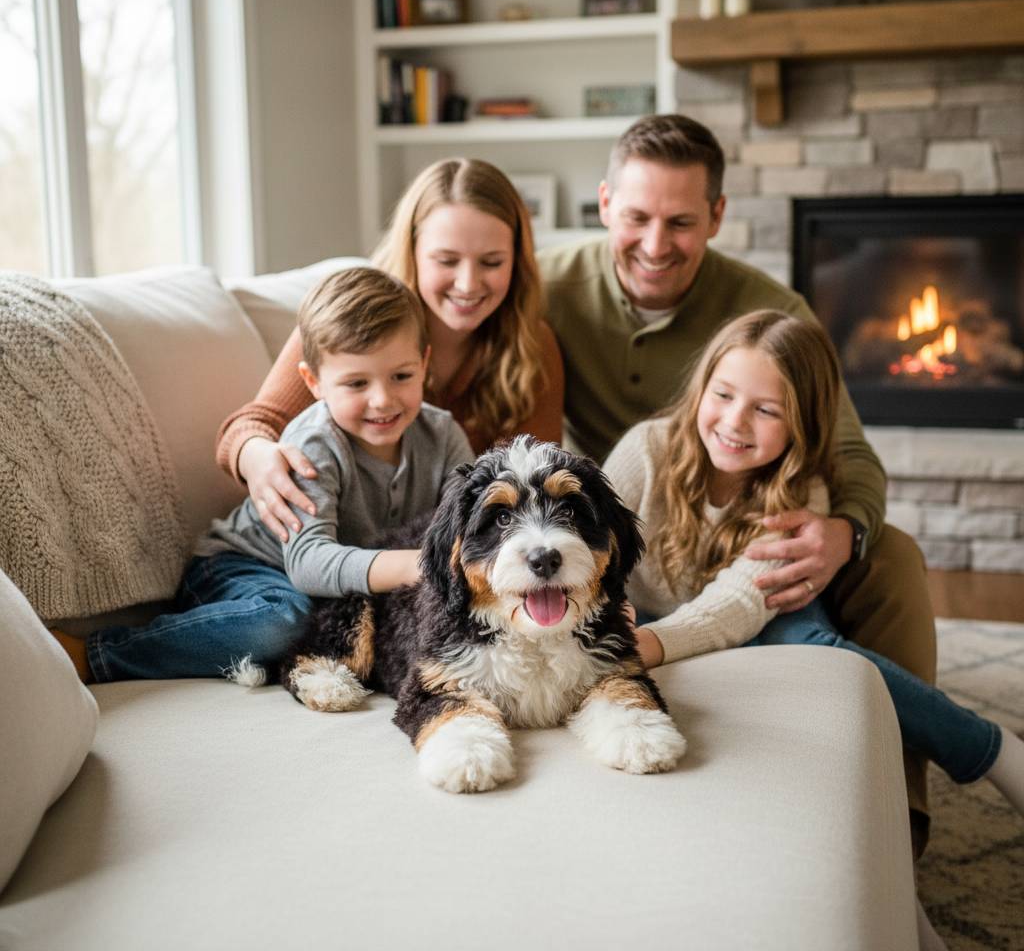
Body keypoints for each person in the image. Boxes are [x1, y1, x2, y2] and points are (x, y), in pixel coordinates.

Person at [536, 114, 938, 854]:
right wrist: (257, 433)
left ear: (717, 216)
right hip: (631, 530)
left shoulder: (772, 311)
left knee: (895, 557)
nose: (656, 244)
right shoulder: (544, 285)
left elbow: (850, 453)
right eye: (637, 218)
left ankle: (898, 816)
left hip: (745, 535)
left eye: (681, 222)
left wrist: (843, 531)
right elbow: (392, 302)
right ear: (603, 204)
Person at [604, 309, 1024, 819]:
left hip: (759, 614)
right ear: (701, 389)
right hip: (650, 614)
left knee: (820, 653)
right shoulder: (646, 449)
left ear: (803, 422)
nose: (735, 421)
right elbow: (598, 553)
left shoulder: (802, 492)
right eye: (723, 395)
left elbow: (738, 605)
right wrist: (617, 614)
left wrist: (652, 644)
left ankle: (990, 749)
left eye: (767, 410)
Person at [52, 268, 474, 683]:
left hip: (334, 587)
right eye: (356, 383)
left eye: (401, 376)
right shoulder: (314, 445)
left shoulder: (442, 435)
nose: (382, 399)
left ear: (424, 363)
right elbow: (309, 564)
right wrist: (412, 565)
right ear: (314, 381)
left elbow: (466, 529)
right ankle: (100, 655)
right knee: (284, 621)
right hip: (240, 568)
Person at [216, 157, 564, 544]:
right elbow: (252, 425)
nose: (468, 283)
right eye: (446, 260)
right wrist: (257, 456)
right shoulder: (348, 324)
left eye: (492, 262)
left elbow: (537, 483)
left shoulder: (534, 345)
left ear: (517, 259)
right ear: (412, 250)